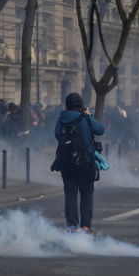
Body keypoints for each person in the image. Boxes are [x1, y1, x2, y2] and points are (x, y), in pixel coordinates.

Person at [54, 93, 105, 234]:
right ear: (81, 106)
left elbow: (57, 135)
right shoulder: (86, 118)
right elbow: (101, 130)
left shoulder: (61, 119)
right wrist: (89, 115)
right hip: (86, 162)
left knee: (70, 194)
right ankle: (85, 226)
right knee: (87, 194)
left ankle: (72, 227)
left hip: (66, 163)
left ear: (67, 105)